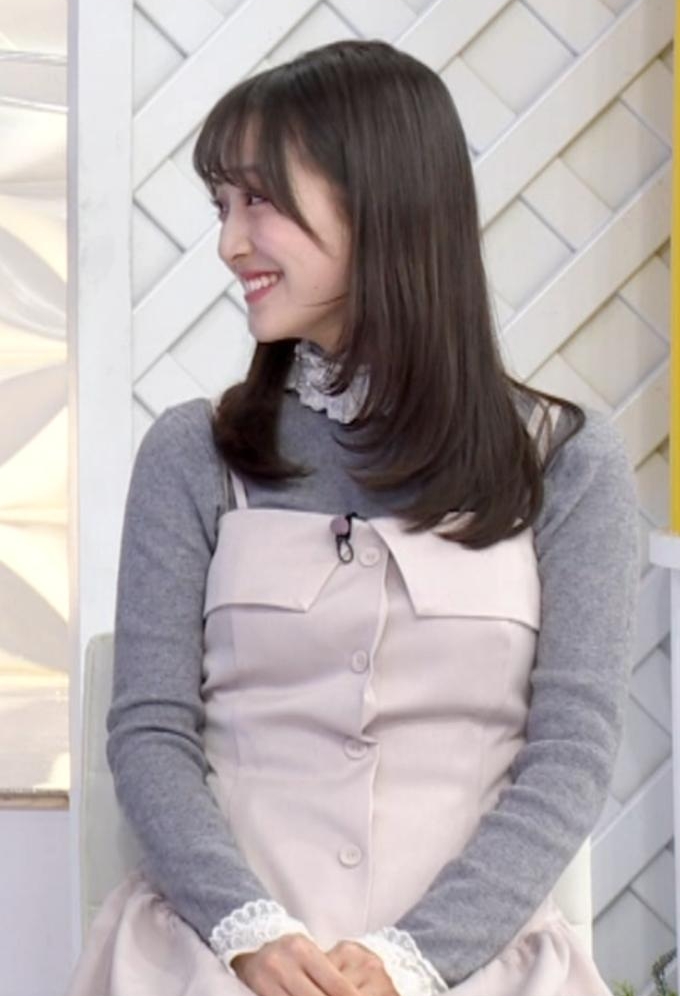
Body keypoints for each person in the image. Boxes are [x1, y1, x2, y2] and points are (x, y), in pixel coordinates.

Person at [65, 37, 639, 996]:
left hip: (476, 967)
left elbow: (571, 754)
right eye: (222, 206)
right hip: (214, 958)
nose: (229, 243)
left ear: (379, 199)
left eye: (259, 200)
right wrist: (249, 933)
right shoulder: (192, 453)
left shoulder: (566, 462)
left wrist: (413, 960)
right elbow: (150, 733)